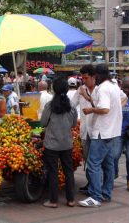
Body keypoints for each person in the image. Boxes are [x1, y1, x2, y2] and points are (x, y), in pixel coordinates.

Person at [79, 64, 122, 207]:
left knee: (93, 164)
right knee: (108, 164)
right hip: (112, 131)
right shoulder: (113, 86)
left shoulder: (103, 88)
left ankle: (95, 196)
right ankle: (105, 193)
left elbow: (104, 108)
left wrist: (91, 110)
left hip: (102, 132)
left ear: (98, 75)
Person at [41, 77, 77, 208]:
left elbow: (43, 123)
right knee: (68, 171)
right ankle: (71, 199)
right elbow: (74, 124)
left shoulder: (49, 106)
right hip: (67, 143)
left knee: (53, 172)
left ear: (54, 90)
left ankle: (53, 201)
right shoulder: (72, 106)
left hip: (51, 144)